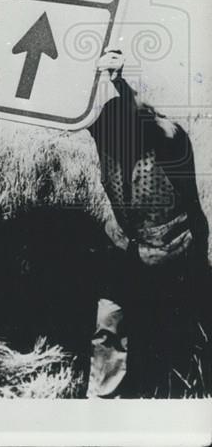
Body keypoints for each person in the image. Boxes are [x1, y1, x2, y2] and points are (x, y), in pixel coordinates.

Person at [85, 48, 211, 398]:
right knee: (109, 318)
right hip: (128, 244)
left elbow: (156, 123)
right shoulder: (104, 137)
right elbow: (74, 111)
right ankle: (104, 396)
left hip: (172, 246)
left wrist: (121, 83)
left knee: (168, 330)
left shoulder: (168, 139)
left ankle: (169, 393)